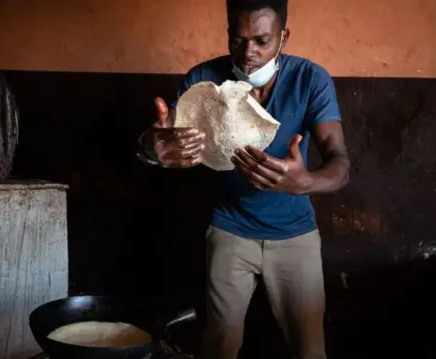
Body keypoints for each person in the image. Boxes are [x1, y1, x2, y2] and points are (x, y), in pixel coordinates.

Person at [136, 0, 349, 358]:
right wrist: (151, 146)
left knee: (310, 349)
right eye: (237, 40)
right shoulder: (203, 80)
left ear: (284, 36)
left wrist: (305, 182)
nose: (248, 52)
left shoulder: (311, 80)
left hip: (295, 235)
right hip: (229, 230)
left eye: (261, 40)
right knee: (219, 346)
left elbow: (340, 164)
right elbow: (160, 135)